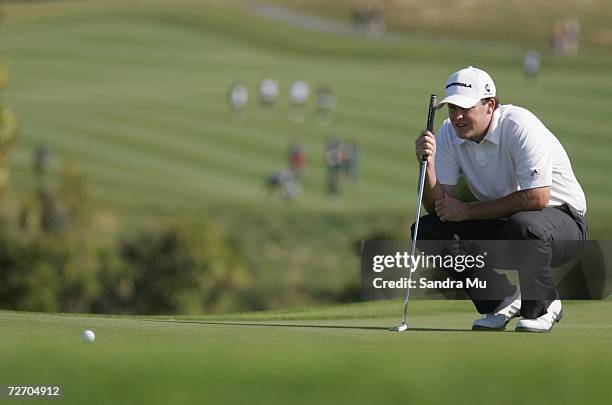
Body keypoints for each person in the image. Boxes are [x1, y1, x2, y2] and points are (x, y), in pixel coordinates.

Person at [414, 66, 587, 332]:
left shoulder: (519, 125)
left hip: (563, 224)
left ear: (489, 105)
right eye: (452, 108)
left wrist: (468, 211)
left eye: (465, 108)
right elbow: (440, 208)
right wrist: (427, 165)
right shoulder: (449, 132)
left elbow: (537, 197)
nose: (457, 116)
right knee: (428, 230)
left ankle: (543, 305)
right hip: (507, 225)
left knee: (524, 226)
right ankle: (502, 300)